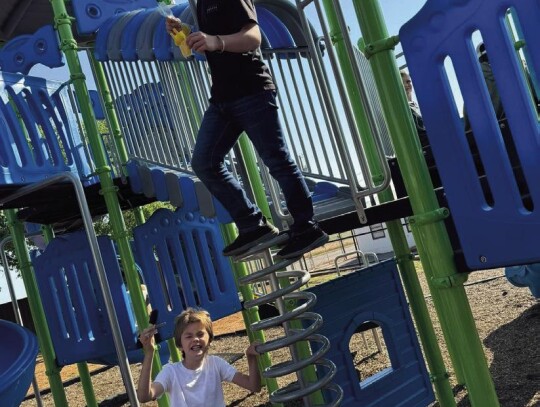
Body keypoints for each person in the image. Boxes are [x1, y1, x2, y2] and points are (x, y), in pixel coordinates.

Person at [165, 0, 328, 260]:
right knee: (204, 163)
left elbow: (253, 38)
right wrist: (185, 31)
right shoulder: (203, 4)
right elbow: (214, 41)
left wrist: (215, 41)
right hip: (222, 98)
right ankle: (253, 224)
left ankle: (307, 227)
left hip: (252, 90)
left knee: (276, 160)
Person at [137, 308, 262, 405]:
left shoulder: (216, 364)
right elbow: (144, 396)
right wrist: (149, 353)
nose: (196, 339)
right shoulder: (171, 372)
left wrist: (251, 358)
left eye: (200, 334)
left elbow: (253, 386)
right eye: (189, 336)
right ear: (180, 345)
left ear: (210, 339)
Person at [400, 70, 428, 147]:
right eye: (403, 83)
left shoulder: (417, 106)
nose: (407, 84)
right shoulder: (402, 108)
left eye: (408, 81)